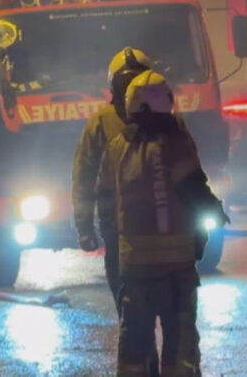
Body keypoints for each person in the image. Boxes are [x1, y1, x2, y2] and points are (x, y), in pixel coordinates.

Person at [107, 70, 227, 377]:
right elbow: (192, 187)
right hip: (175, 270)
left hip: (134, 269)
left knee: (134, 347)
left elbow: (106, 203)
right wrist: (214, 210)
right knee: (180, 345)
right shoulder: (173, 143)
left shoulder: (117, 147)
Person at [72, 47, 161, 375]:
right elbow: (83, 174)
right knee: (133, 307)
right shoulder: (104, 122)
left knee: (148, 309)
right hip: (122, 231)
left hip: (151, 231)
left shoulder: (163, 119)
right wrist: (83, 225)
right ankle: (149, 363)